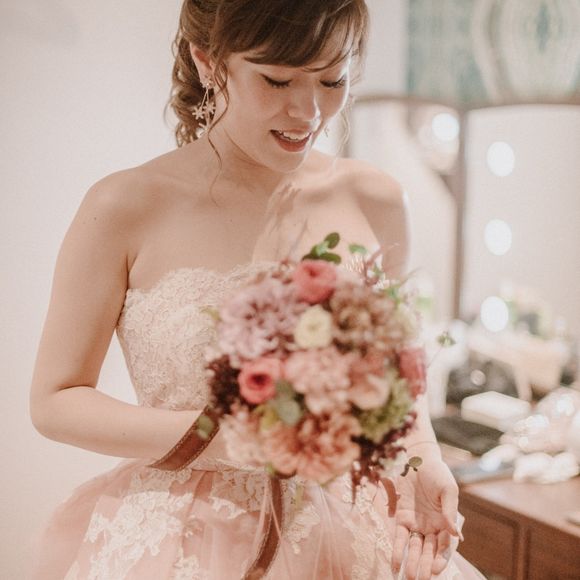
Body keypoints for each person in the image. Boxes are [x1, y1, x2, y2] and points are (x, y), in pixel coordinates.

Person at [29, 1, 485, 578]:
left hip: (349, 526)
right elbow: (56, 400)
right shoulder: (124, 205)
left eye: (332, 80)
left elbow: (397, 365)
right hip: (187, 538)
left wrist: (421, 456)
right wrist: (218, 436)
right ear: (208, 61)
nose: (309, 111)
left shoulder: (375, 199)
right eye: (277, 80)